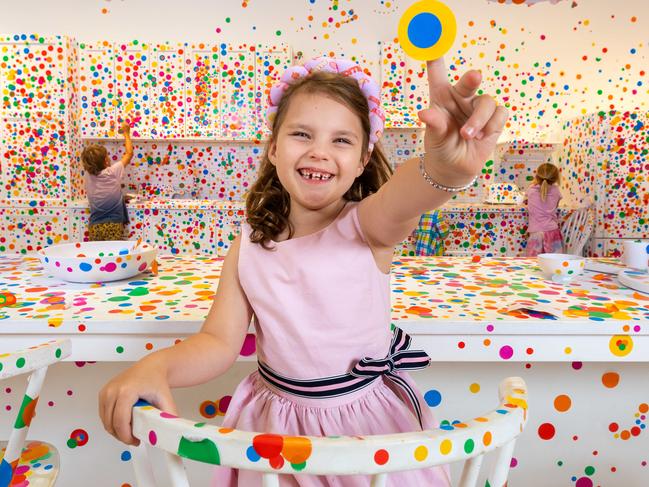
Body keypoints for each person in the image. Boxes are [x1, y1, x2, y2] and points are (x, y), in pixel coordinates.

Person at [99, 57, 507, 486]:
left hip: (366, 432)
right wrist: (155, 367)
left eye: (342, 140)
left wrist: (443, 168)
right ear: (274, 148)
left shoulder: (369, 225)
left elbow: (406, 195)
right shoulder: (249, 247)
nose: (319, 151)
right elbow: (217, 342)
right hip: (274, 430)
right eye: (301, 134)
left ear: (364, 159)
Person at [81, 121, 133, 241]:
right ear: (105, 161)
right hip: (113, 224)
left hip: (94, 225)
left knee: (98, 255)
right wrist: (126, 133)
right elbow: (129, 154)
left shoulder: (88, 175)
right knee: (112, 255)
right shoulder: (112, 172)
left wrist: (121, 197)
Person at [524, 162, 563, 257]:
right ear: (556, 178)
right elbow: (555, 206)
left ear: (537, 176)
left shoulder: (531, 190)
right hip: (553, 232)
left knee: (533, 263)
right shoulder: (556, 191)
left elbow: (526, 202)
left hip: (536, 233)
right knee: (554, 262)